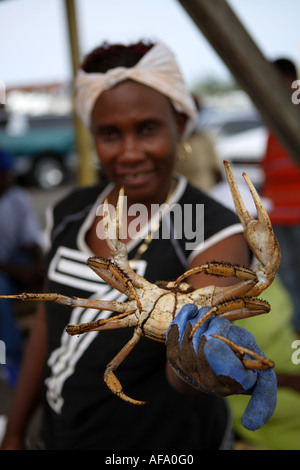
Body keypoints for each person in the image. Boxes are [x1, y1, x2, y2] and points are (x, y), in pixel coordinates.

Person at [1, 41, 262, 450]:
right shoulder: (70, 210)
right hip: (57, 435)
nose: (129, 152)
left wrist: (197, 363)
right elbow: (47, 326)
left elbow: (190, 362)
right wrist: (15, 432)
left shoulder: (210, 227)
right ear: (92, 136)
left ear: (180, 123)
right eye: (109, 134)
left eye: (147, 128)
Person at [260, 58, 300, 335]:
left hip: (297, 212)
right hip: (279, 213)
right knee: (288, 277)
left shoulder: (292, 111)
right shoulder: (274, 118)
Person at [0, 148, 45, 387]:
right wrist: (19, 271)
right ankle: (10, 357)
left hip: (11, 261)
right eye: (3, 174)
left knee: (53, 272)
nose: (8, 178)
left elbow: (29, 241)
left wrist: (40, 265)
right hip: (5, 271)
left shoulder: (16, 197)